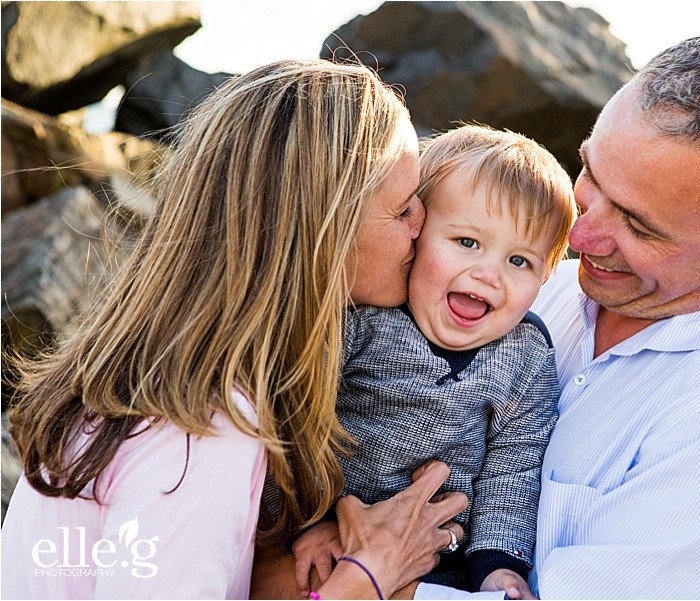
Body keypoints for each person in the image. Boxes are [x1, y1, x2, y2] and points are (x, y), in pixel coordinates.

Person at [1, 59, 468, 599]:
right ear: (324, 230)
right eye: (404, 207)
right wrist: (368, 579)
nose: (425, 224)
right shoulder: (201, 430)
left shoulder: (160, 377)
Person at [413, 31, 700, 600]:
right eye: (589, 174)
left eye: (640, 226)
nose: (580, 235)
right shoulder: (537, 288)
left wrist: (340, 585)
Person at [289, 125, 577, 597]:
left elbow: (513, 469)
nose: (488, 275)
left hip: (445, 560)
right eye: (466, 242)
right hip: (334, 533)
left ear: (547, 274)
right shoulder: (365, 319)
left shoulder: (525, 356)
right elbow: (296, 426)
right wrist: (308, 524)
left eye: (520, 261)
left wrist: (499, 565)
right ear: (416, 233)